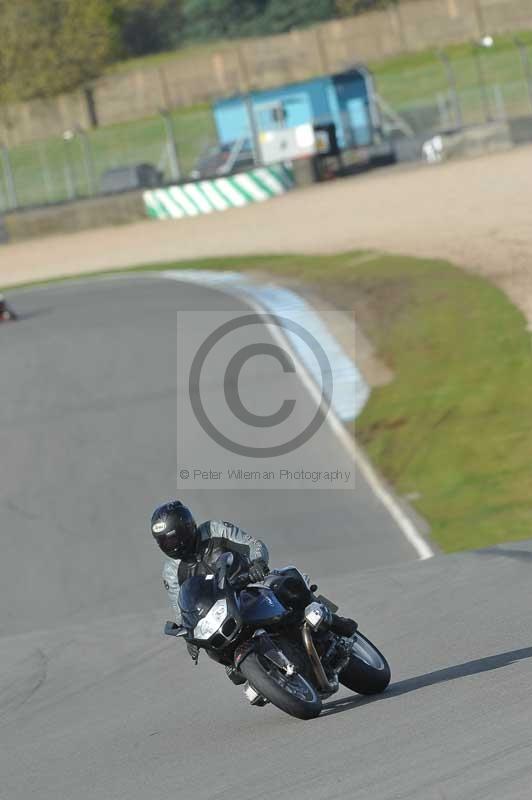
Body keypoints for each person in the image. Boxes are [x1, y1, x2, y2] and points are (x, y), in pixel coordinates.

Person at [151, 500, 357, 680]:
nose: (173, 544)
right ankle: (259, 675)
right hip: (222, 612)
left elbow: (252, 544)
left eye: (175, 537)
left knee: (287, 581)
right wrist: (188, 635)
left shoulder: (214, 530)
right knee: (217, 653)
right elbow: (180, 606)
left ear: (188, 526)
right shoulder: (171, 571)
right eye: (165, 540)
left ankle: (333, 621)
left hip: (249, 585)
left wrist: (257, 562)